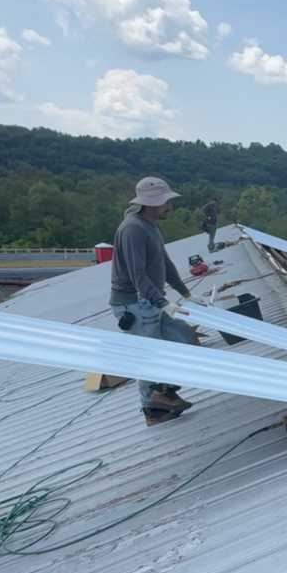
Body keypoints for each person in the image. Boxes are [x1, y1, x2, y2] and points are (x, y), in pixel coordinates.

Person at [110, 176, 202, 426]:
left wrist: (185, 293)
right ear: (151, 203)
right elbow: (136, 274)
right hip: (134, 304)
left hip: (150, 300)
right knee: (150, 356)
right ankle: (154, 411)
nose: (169, 206)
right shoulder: (132, 229)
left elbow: (165, 263)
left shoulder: (150, 225)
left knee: (182, 338)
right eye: (165, 202)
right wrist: (162, 302)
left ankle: (164, 392)